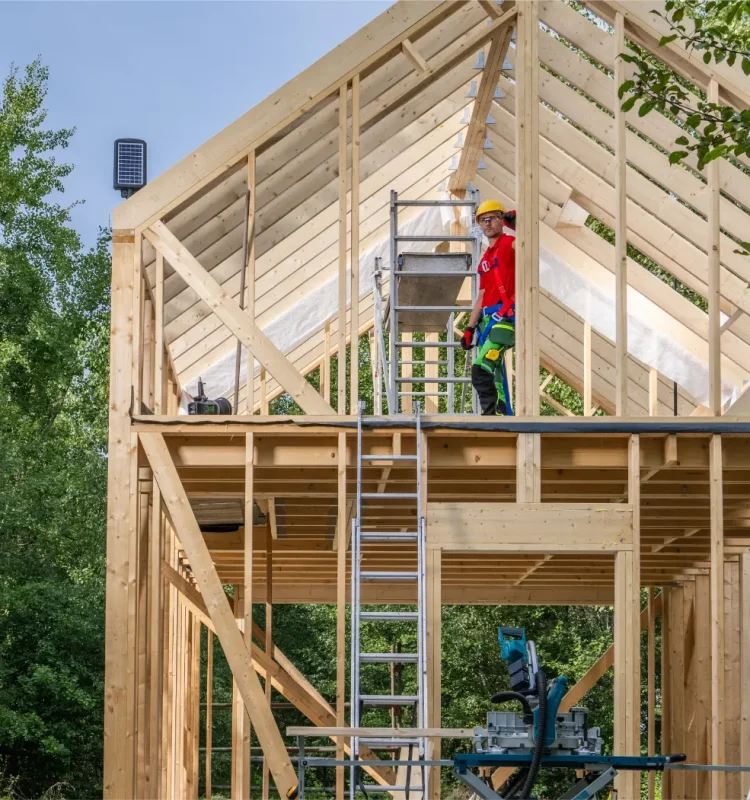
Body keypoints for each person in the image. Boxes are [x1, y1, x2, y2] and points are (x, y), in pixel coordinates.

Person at [460, 200, 516, 415]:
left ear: (501, 220)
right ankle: (503, 414)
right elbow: (481, 296)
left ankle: (491, 417)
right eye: (483, 220)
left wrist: (517, 225)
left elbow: (529, 247)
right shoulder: (485, 258)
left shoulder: (510, 243)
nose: (488, 223)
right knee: (496, 376)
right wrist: (470, 327)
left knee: (481, 371)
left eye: (492, 218)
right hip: (487, 321)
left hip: (505, 319)